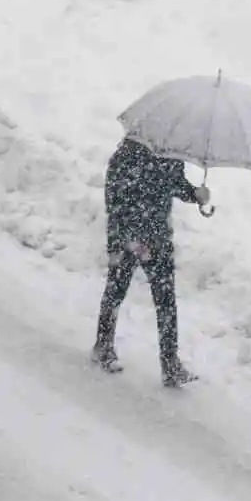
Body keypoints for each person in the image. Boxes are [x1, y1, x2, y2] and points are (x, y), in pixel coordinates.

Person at [93, 136, 211, 387]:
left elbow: (174, 184)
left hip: (157, 236)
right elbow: (112, 195)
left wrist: (195, 194)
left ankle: (170, 364)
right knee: (116, 290)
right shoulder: (127, 153)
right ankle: (103, 346)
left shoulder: (172, 152)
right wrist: (129, 234)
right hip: (128, 235)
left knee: (166, 300)